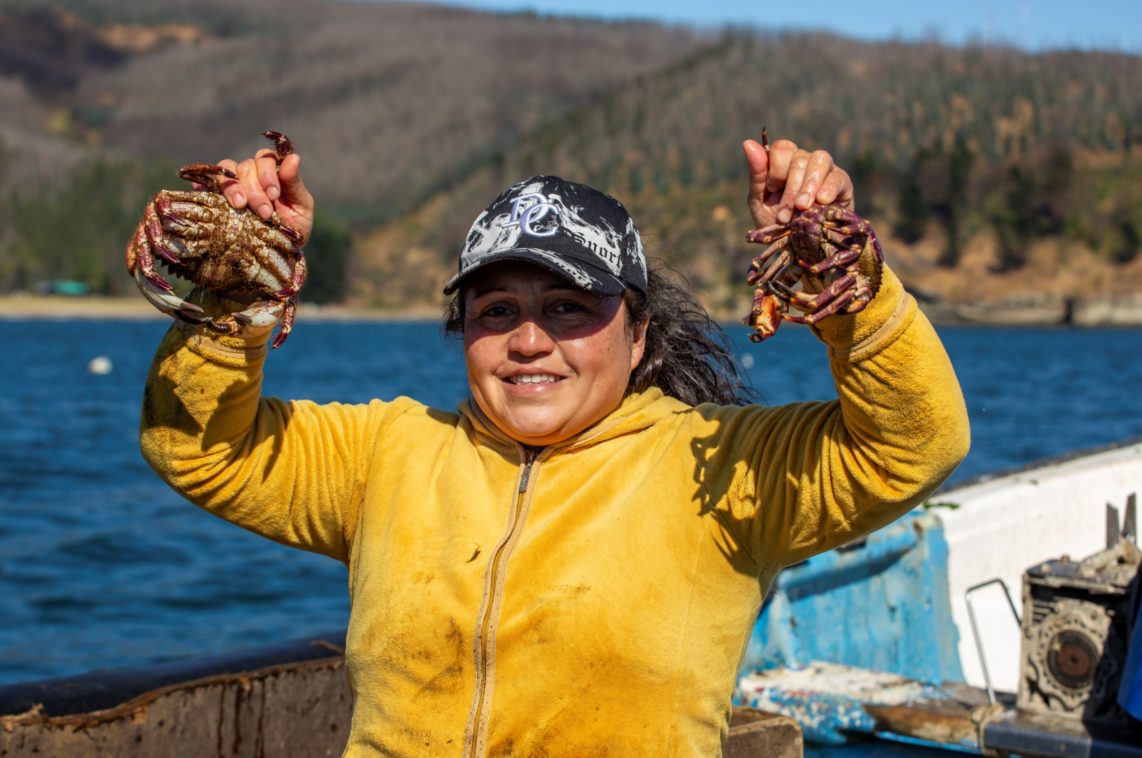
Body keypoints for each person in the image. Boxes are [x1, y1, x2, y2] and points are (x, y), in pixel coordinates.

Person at [138, 134, 970, 756]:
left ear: (639, 337)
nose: (529, 341)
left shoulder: (722, 465)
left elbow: (912, 443)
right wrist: (243, 284)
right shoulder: (387, 453)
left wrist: (840, 281)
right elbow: (198, 446)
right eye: (496, 311)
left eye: (569, 308)